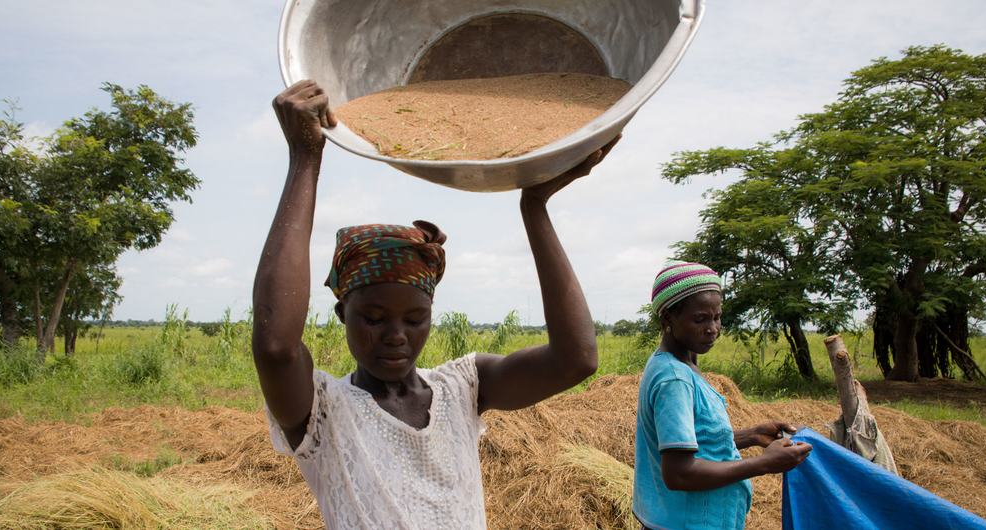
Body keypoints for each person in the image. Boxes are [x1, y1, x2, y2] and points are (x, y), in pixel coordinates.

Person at [252, 80, 614, 529]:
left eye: (415, 318)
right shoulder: (323, 411)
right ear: (343, 312)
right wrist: (306, 158)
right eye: (373, 317)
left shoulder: (463, 388)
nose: (397, 335)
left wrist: (534, 205)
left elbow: (575, 360)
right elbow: (275, 346)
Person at [633, 260, 812, 530]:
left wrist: (751, 435)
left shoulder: (681, 364)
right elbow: (679, 474)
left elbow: (693, 442)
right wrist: (763, 464)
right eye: (700, 319)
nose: (712, 328)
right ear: (668, 318)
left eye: (717, 317)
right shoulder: (675, 379)